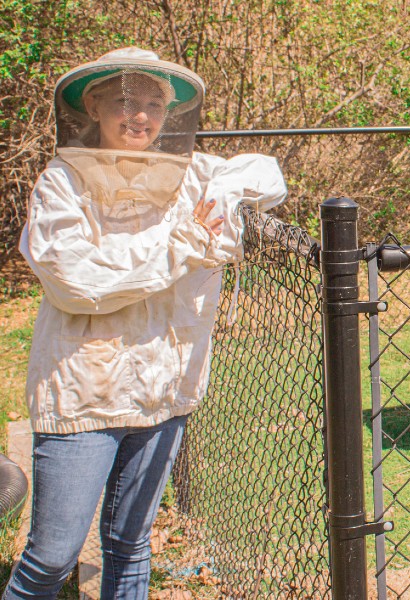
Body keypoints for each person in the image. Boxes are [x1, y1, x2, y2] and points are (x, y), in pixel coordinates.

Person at [4, 47, 287, 599]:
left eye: (154, 103)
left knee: (131, 544)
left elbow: (267, 172)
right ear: (94, 108)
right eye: (124, 101)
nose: (140, 115)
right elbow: (77, 279)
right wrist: (181, 243)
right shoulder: (63, 182)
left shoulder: (195, 174)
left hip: (165, 388)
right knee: (51, 558)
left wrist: (227, 194)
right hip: (83, 389)